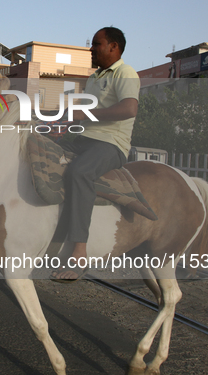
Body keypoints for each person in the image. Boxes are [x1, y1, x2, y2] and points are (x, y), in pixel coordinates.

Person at [52, 27, 140, 282]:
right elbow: (86, 114)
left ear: (113, 47)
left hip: (111, 144)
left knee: (80, 172)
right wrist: (64, 122)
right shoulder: (94, 78)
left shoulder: (126, 73)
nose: (91, 49)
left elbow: (129, 108)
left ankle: (80, 251)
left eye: (96, 44)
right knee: (41, 150)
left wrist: (85, 114)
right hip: (84, 140)